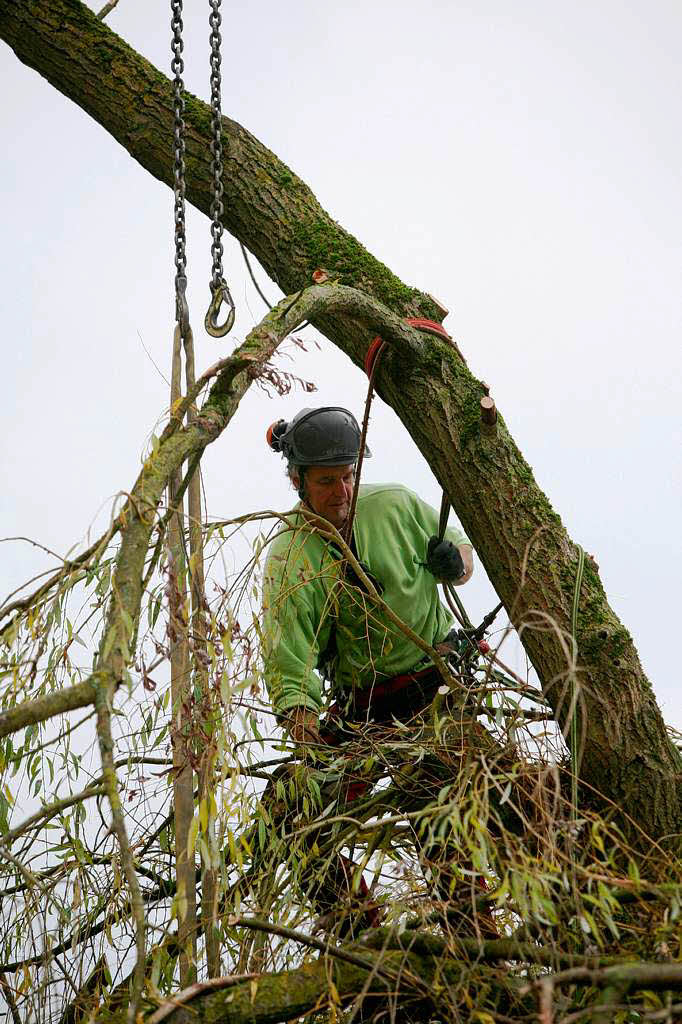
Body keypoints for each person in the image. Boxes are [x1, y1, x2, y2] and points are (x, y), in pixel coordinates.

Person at [261, 406, 474, 744]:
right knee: (295, 797)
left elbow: (463, 550)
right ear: (297, 481)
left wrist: (456, 564)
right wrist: (308, 745)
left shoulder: (395, 505)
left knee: (452, 773)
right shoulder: (289, 557)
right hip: (363, 702)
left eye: (347, 477)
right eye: (326, 481)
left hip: (436, 674)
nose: (342, 493)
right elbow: (290, 657)